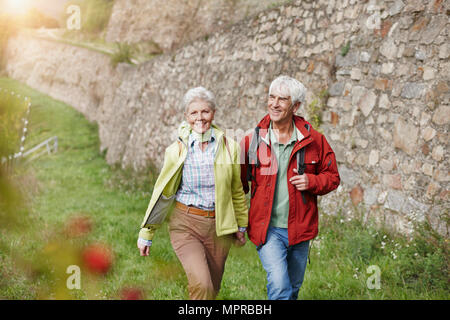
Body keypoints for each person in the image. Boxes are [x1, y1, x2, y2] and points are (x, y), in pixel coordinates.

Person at [137, 87, 248, 300]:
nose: (200, 118)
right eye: (194, 113)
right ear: (186, 117)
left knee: (211, 289)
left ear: (213, 113)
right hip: (185, 224)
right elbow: (161, 192)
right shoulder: (177, 150)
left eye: (205, 111)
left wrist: (241, 226)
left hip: (219, 227)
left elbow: (236, 190)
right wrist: (147, 232)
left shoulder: (229, 147)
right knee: (202, 285)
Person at [240, 75, 340, 300]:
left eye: (282, 99)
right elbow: (238, 186)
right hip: (268, 230)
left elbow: (333, 177)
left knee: (292, 290)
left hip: (300, 229)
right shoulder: (252, 140)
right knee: (280, 286)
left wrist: (311, 182)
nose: (274, 104)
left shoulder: (314, 139)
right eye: (271, 97)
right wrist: (236, 224)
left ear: (295, 106)